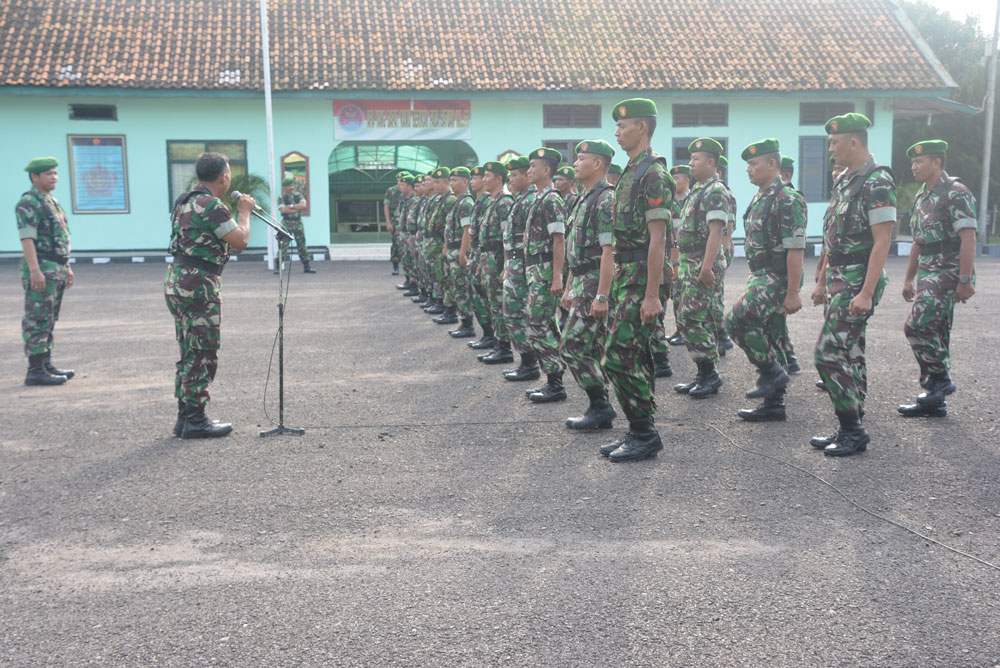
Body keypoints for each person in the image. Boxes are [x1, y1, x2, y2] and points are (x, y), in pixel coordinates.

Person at [809, 113, 894, 457]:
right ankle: (852, 422)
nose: (830, 149)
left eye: (834, 143)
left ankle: (852, 431)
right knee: (851, 351)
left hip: (859, 279)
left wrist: (867, 292)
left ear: (854, 142)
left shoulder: (877, 180)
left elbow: (883, 241)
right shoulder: (846, 180)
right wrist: (822, 281)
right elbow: (834, 237)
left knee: (827, 353)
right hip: (840, 278)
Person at [599, 98, 674, 462]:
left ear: (641, 127)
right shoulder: (631, 171)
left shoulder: (653, 174)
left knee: (617, 357)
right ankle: (639, 430)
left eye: (622, 126)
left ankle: (644, 432)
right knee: (634, 357)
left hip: (641, 278)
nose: (616, 133)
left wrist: (652, 295)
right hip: (625, 276)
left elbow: (658, 238)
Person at [165, 152, 252, 438]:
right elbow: (240, 240)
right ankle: (196, 421)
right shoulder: (212, 204)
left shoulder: (184, 201)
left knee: (188, 351)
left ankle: (184, 417)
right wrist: (244, 212)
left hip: (178, 281)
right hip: (199, 285)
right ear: (224, 177)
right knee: (202, 352)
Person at [726, 139, 807, 422]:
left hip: (776, 276)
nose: (748, 169)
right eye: (748, 165)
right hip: (759, 275)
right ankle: (774, 405)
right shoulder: (761, 196)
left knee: (736, 320)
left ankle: (771, 371)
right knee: (774, 335)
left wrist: (793, 292)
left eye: (754, 164)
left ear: (772, 164)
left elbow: (796, 249)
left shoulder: (787, 198)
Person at [898, 140, 977, 418]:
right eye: (912, 162)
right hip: (928, 271)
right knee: (937, 332)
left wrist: (965, 279)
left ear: (937, 162)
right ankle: (934, 398)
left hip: (948, 270)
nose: (914, 166)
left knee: (916, 326)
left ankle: (941, 378)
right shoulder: (921, 196)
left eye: (920, 161)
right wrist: (908, 279)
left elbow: (968, 238)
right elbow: (917, 242)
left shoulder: (956, 193)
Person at [559, 140, 617, 429]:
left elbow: (609, 252)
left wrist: (602, 296)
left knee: (572, 345)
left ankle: (601, 406)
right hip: (582, 281)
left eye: (581, 158)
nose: (575, 163)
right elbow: (575, 250)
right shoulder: (585, 198)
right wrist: (570, 287)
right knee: (590, 347)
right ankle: (599, 409)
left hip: (595, 283)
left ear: (597, 163)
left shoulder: (605, 199)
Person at [673, 137, 732, 399]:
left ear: (711, 162)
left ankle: (710, 374)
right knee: (687, 318)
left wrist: (707, 267)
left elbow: (716, 232)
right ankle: (702, 372)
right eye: (690, 159)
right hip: (690, 263)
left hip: (701, 263)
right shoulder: (698, 190)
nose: (691, 163)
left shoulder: (715, 191)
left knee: (695, 318)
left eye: (696, 159)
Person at [17, 156, 75, 386]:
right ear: (35, 176)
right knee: (37, 318)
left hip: (55, 267)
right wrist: (34, 270)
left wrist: (66, 266)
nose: (54, 177)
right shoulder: (29, 203)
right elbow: (27, 239)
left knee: (50, 318)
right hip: (42, 267)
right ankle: (35, 371)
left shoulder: (51, 201)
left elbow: (58, 237)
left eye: (55, 173)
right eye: (49, 174)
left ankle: (46, 364)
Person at [522, 147, 568, 403]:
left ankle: (555, 383)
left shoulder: (551, 199)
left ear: (547, 170)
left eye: (533, 166)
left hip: (545, 270)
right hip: (535, 271)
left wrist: (557, 277)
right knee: (542, 324)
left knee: (539, 325)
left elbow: (559, 240)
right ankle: (553, 379)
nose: (529, 171)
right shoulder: (539, 197)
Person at [501, 156, 541, 382]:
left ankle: (531, 363)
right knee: (512, 313)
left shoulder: (530, 201)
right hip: (514, 264)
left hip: (524, 265)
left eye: (515, 175)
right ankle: (526, 362)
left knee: (523, 314)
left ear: (527, 175)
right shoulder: (520, 200)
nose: (511, 179)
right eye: (510, 175)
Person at [476, 161, 516, 364]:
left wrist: (505, 266)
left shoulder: (504, 203)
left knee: (499, 305)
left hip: (498, 259)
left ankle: (505, 348)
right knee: (492, 303)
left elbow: (506, 238)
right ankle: (498, 344)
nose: (483, 180)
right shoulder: (493, 201)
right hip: (488, 258)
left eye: (487, 176)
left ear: (499, 179)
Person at [442, 167, 478, 337]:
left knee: (462, 288)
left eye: (455, 181)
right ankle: (464, 322)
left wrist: (463, 253)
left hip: (459, 250)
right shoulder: (458, 201)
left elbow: (467, 231)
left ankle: (468, 325)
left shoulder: (465, 203)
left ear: (465, 181)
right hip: (453, 249)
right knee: (457, 287)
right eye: (451, 180)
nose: (452, 184)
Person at [464, 166, 495, 344]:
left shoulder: (488, 201)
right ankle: (488, 335)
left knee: (486, 298)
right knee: (477, 296)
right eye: (474, 178)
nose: (475, 181)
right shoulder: (479, 201)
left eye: (477, 178)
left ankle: (493, 337)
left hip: (484, 254)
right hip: (477, 253)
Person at [666, 164, 691, 347]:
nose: (674, 182)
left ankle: (688, 332)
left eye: (677, 178)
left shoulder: (692, 199)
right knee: (676, 294)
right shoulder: (670, 201)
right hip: (674, 254)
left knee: (688, 295)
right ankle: (680, 330)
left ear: (687, 180)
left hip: (690, 256)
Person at [277, 176, 315, 274]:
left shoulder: (298, 195)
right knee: (283, 244)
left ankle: (307, 266)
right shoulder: (282, 197)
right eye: (289, 186)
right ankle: (278, 266)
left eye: (292, 185)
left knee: (301, 244)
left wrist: (291, 206)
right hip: (286, 223)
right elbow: (283, 210)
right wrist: (297, 208)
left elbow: (304, 205)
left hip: (298, 223)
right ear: (284, 187)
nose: (292, 187)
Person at [384, 173, 406, 276]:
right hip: (395, 221)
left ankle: (408, 268)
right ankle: (395, 265)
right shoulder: (391, 191)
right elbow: (386, 206)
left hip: (406, 221)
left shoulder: (409, 190)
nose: (399, 182)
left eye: (401, 180)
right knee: (395, 243)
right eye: (398, 180)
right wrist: (388, 222)